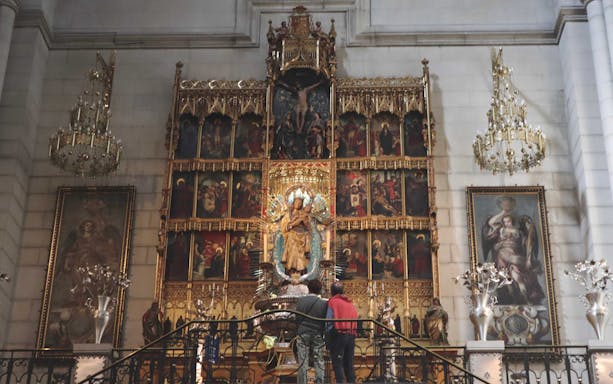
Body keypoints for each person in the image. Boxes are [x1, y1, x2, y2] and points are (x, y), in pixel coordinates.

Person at [296, 279, 328, 384]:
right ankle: (320, 382)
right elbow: (324, 320)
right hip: (317, 332)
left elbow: (297, 319)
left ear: (308, 288)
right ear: (319, 290)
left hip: (303, 332)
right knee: (319, 360)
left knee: (302, 361)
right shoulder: (323, 303)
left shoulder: (300, 301)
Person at [326, 281, 358, 383]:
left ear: (332, 292)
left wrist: (327, 337)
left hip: (338, 335)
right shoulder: (350, 303)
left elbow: (328, 321)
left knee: (337, 363)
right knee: (349, 363)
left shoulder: (333, 302)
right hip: (351, 335)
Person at [280, 195, 312, 273]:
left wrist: (305, 222)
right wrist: (292, 225)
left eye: (300, 202)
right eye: (296, 202)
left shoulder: (304, 214)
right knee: (292, 255)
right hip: (292, 237)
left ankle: (301, 272)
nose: (298, 204)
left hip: (302, 238)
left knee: (301, 257)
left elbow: (309, 228)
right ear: (293, 203)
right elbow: (284, 227)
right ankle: (290, 270)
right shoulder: (288, 215)